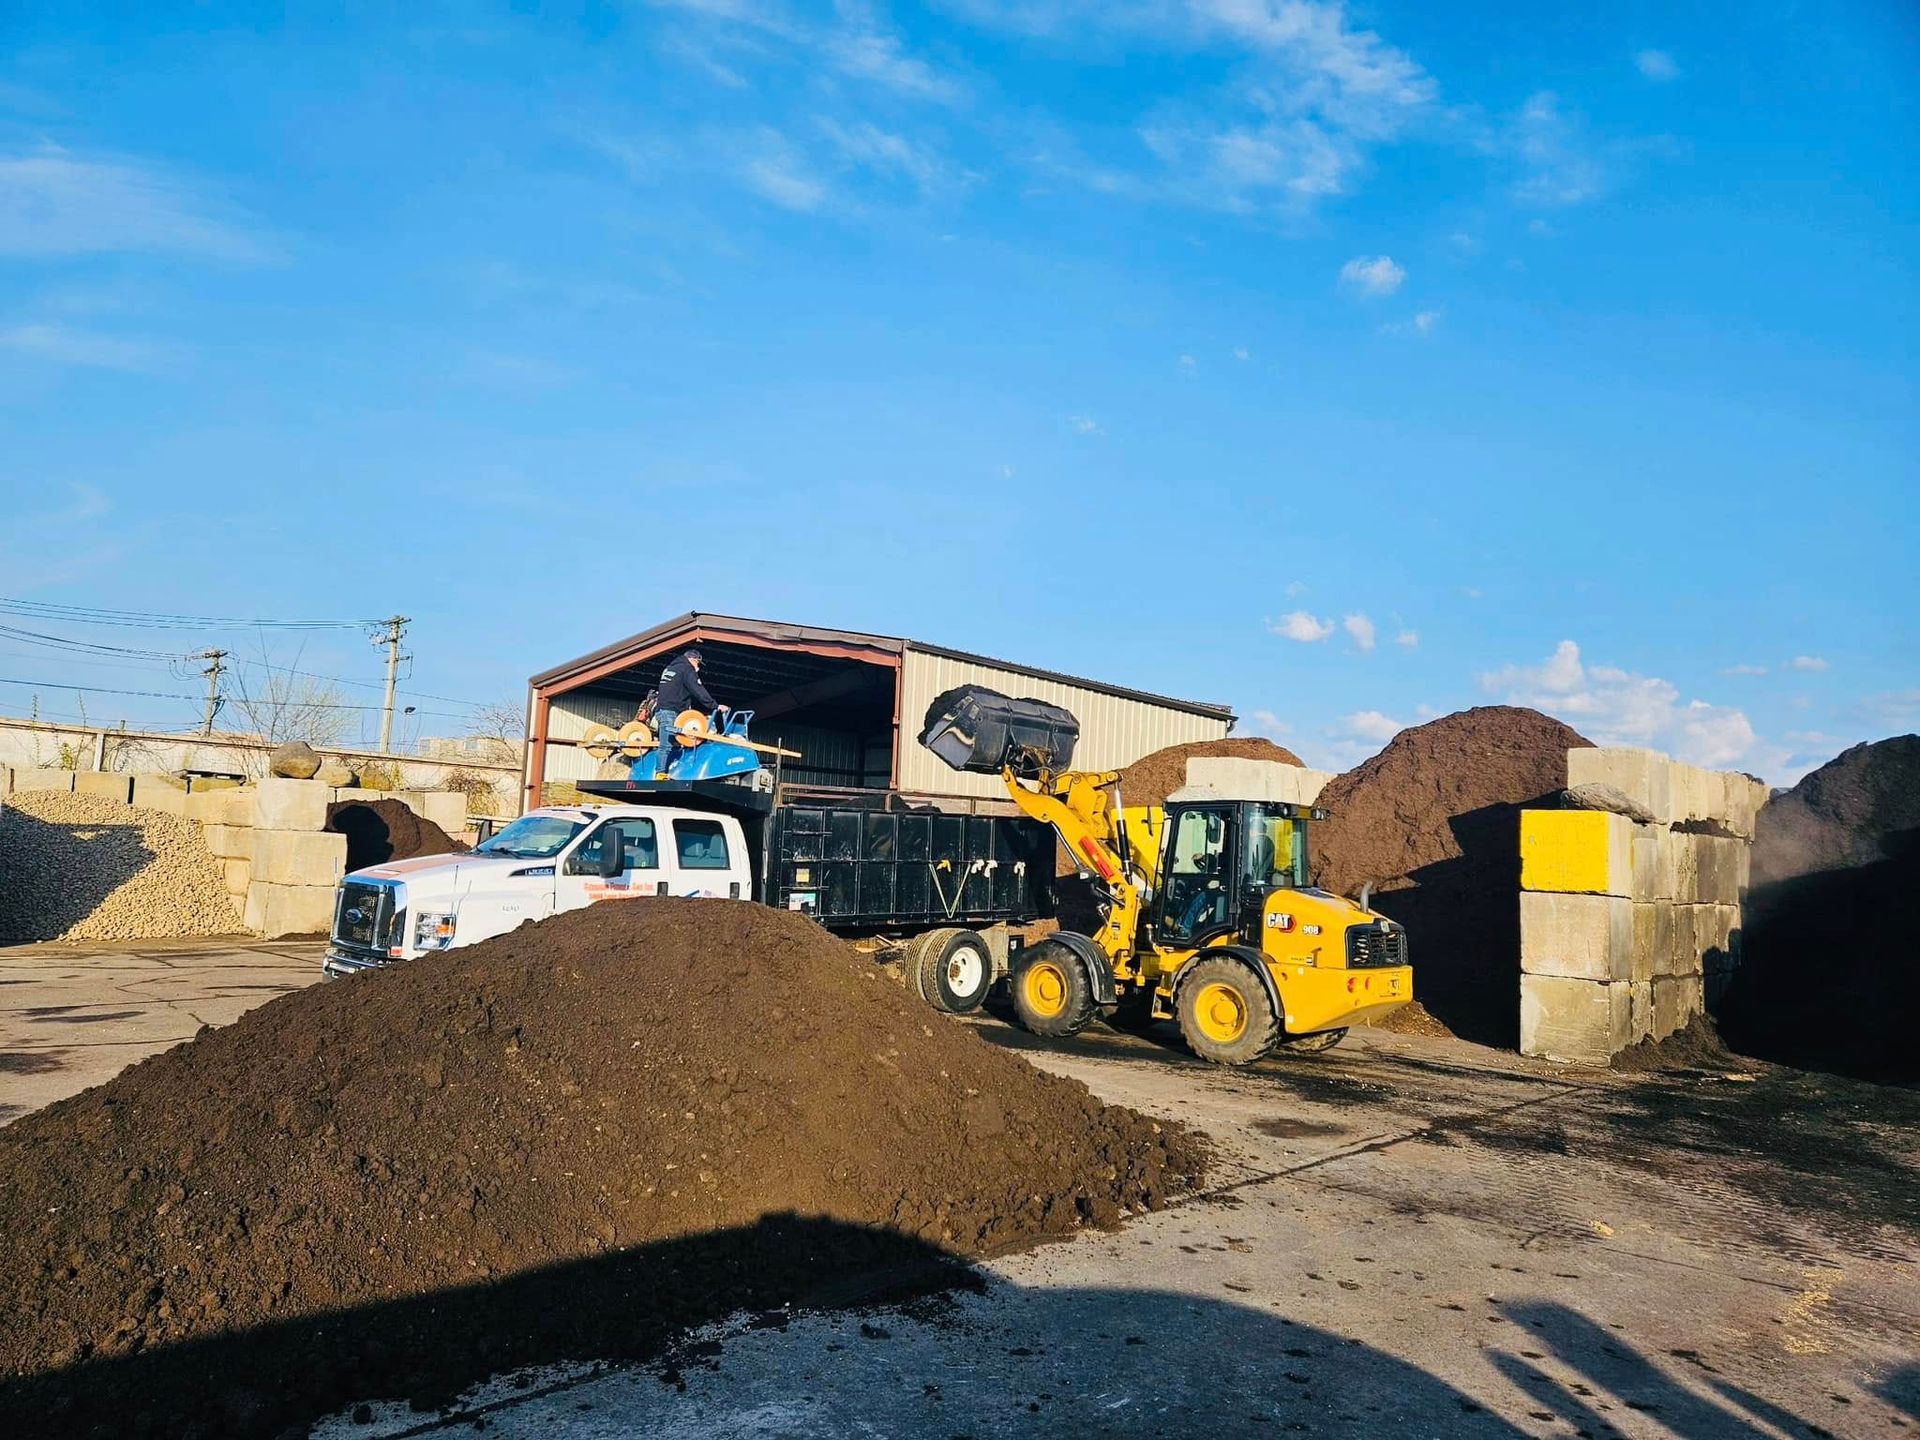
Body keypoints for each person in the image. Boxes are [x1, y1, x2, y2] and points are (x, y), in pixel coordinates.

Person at [652, 648, 724, 779]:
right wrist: (715, 706)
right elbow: (698, 690)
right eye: (698, 664)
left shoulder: (670, 668)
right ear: (693, 660)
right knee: (666, 746)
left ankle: (668, 772)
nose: (698, 668)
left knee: (672, 742)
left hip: (662, 710)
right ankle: (660, 775)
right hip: (670, 711)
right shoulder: (687, 669)